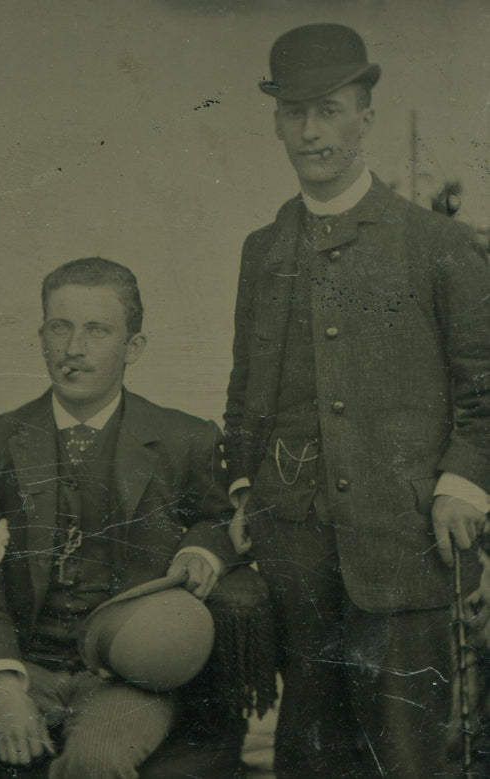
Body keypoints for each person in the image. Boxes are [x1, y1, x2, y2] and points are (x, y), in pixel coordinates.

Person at [223, 23, 490, 777]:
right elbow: (245, 390)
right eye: (295, 113)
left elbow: (484, 386)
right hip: (295, 556)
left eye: (330, 111)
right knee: (308, 754)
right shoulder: (262, 250)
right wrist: (243, 487)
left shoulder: (435, 244)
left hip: (403, 547)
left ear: (364, 118)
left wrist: (462, 483)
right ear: (277, 124)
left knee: (404, 758)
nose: (312, 131)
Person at [0, 256, 239, 778]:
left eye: (96, 330)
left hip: (125, 678)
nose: (73, 349)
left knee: (96, 763)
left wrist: (201, 549)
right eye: (59, 328)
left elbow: (219, 518)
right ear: (41, 337)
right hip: (23, 662)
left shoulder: (184, 437)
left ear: (134, 346)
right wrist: (4, 683)